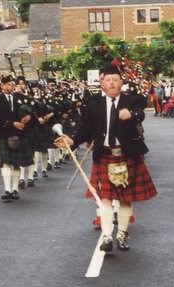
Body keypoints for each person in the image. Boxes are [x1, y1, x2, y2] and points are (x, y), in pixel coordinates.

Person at [55, 64, 157, 252]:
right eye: (108, 80)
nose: (111, 83)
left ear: (121, 83)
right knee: (105, 199)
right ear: (102, 84)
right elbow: (85, 130)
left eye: (115, 80)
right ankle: (107, 236)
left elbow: (140, 112)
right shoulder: (95, 105)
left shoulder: (130, 100)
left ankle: (122, 235)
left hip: (127, 155)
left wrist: (132, 115)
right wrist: (72, 141)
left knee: (126, 200)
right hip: (105, 155)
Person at [0, 75, 33, 201]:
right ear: (2, 86)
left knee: (16, 163)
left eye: (11, 84)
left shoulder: (19, 98)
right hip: (4, 133)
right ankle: (7, 190)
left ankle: (15, 189)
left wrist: (29, 117)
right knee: (6, 162)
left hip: (19, 134)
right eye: (6, 85)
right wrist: (12, 123)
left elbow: (29, 111)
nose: (9, 87)